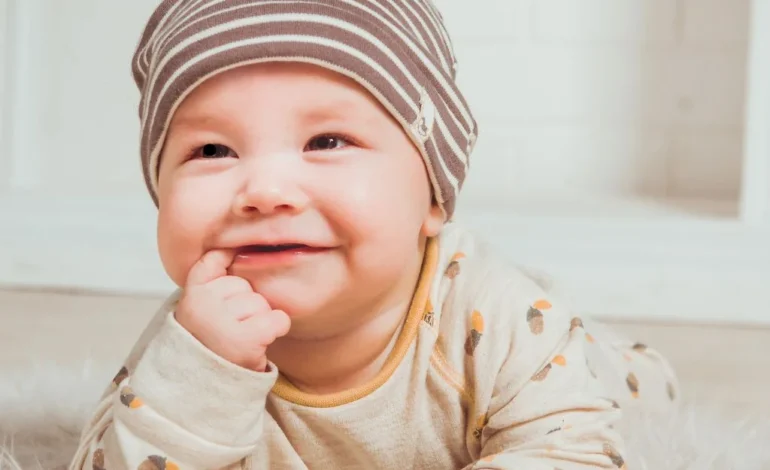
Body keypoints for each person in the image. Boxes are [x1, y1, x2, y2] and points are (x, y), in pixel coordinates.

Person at [70, 1, 679, 468]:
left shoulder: (493, 312)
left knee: (610, 387)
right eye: (212, 149)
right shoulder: (193, 341)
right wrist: (200, 377)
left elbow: (571, 450)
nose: (264, 189)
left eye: (326, 142)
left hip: (575, 365)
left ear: (433, 199)